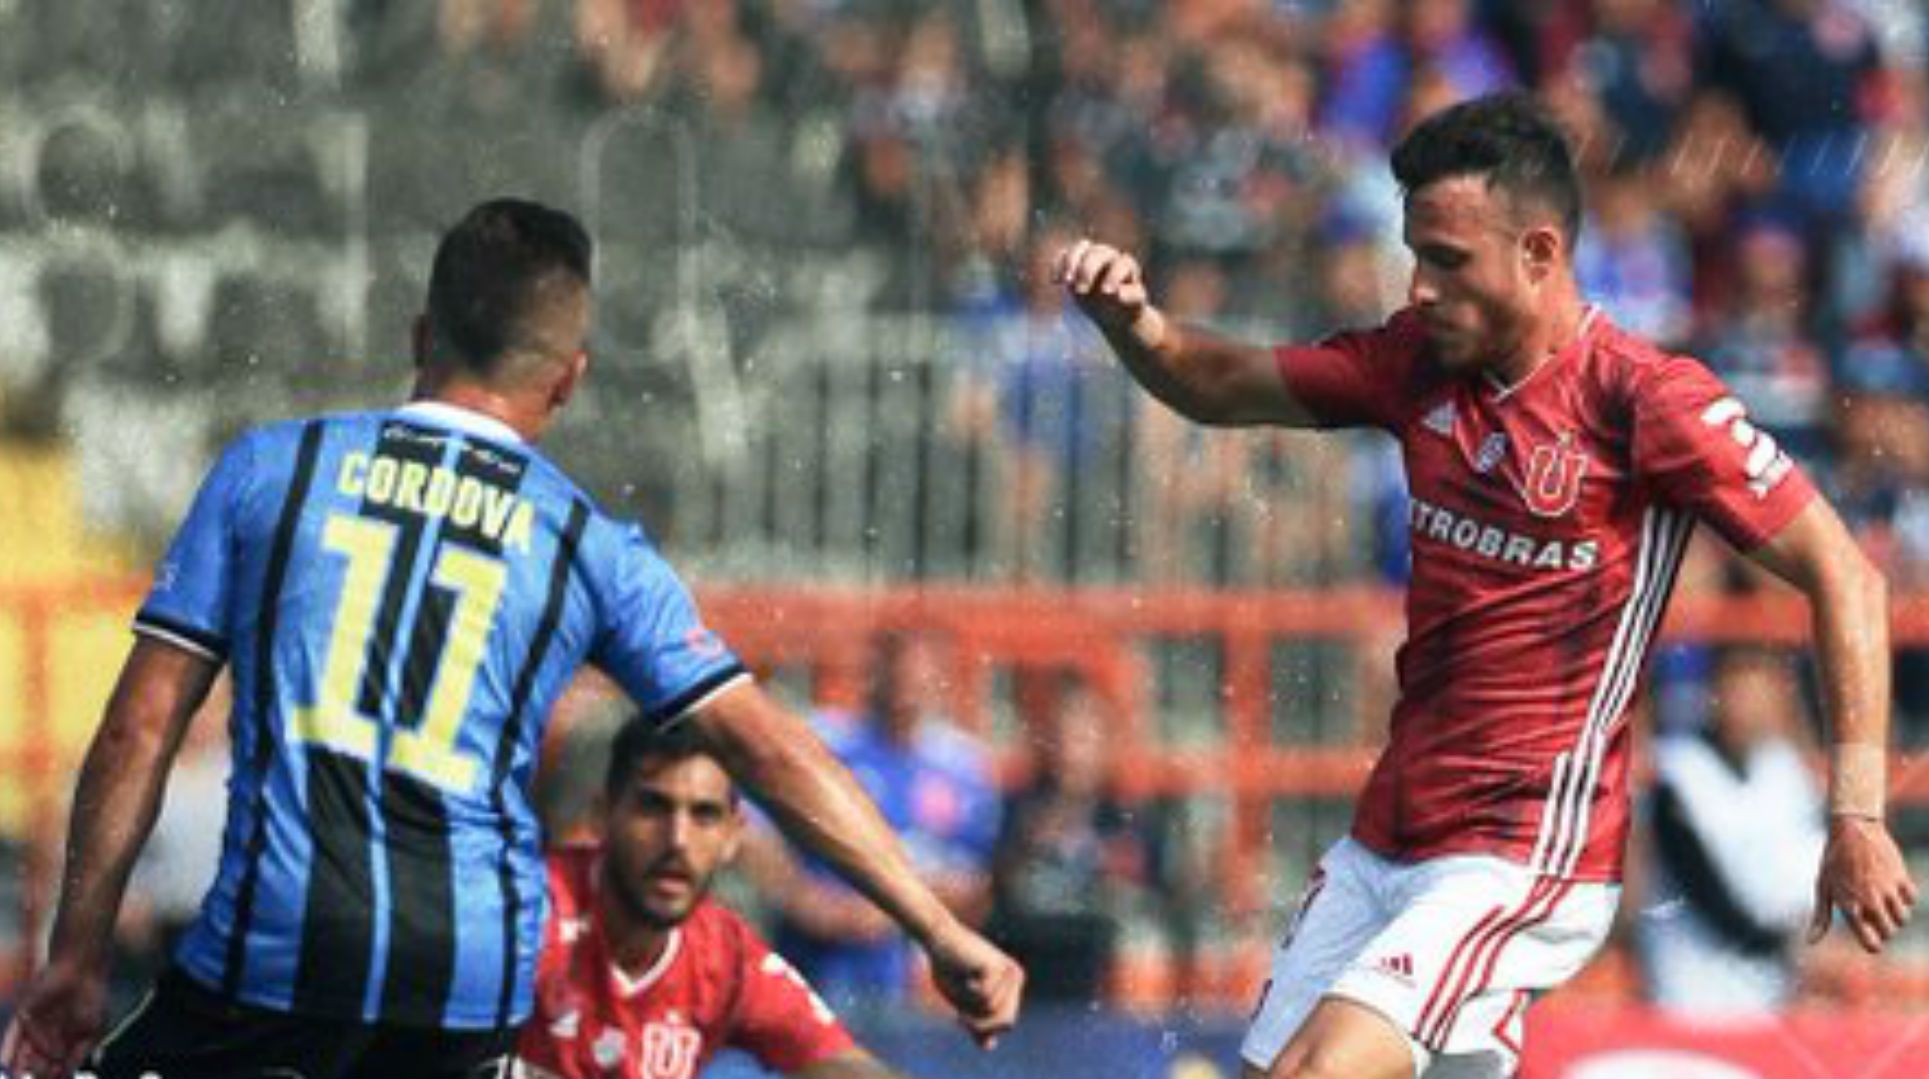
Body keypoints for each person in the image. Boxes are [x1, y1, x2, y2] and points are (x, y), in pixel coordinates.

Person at [0, 198, 1021, 1079]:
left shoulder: (273, 470)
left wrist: (77, 958)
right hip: (466, 978)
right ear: (569, 379)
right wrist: (935, 924)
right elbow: (767, 743)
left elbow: (140, 728)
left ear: (419, 333)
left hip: (277, 943)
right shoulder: (585, 542)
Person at [1055, 92, 1916, 1079]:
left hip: (1521, 855)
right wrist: (1134, 325)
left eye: (1449, 260)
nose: (1420, 286)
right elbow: (1216, 382)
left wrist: (1854, 813)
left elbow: (1844, 574)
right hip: (1387, 841)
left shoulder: (1643, 401)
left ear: (1541, 252)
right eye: (1417, 254)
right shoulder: (1412, 366)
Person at [513, 717, 908, 1079]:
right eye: (654, 807)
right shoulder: (525, 911)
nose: (677, 841)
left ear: (733, 836)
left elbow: (842, 1063)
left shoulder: (726, 957)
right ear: (603, 815)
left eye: (703, 815)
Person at [742, 630, 1000, 1012]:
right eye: (899, 674)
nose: (907, 689)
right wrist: (799, 897)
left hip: (903, 976)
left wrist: (893, 912)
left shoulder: (963, 766)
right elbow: (751, 825)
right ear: (876, 673)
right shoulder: (825, 740)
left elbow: (977, 878)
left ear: (939, 680)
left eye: (920, 677)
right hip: (811, 954)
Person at [1636, 647, 1827, 1016]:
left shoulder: (1787, 771)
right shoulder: (1677, 772)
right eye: (1739, 689)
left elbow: (1811, 867)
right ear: (1716, 694)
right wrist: (1779, 946)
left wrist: (1809, 941)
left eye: (1762, 690)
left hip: (1775, 985)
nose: (1751, 706)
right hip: (1688, 980)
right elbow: (1699, 884)